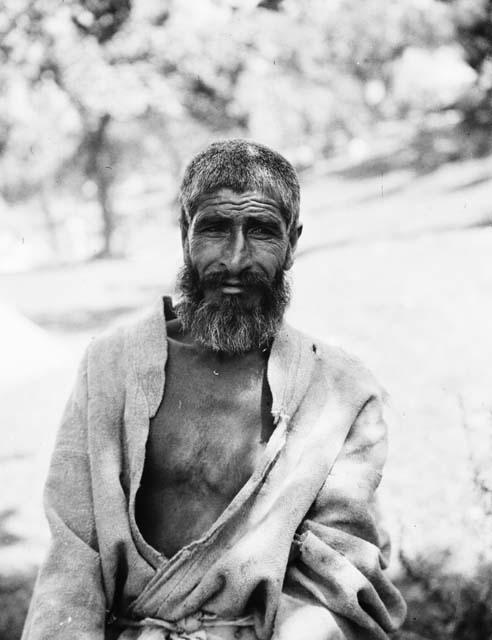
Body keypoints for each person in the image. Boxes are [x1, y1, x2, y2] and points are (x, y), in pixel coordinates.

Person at [22, 139, 406, 640]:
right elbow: (75, 556)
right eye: (215, 229)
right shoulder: (110, 367)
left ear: (293, 242)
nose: (236, 258)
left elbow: (336, 578)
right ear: (185, 234)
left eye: (262, 231)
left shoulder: (341, 392)